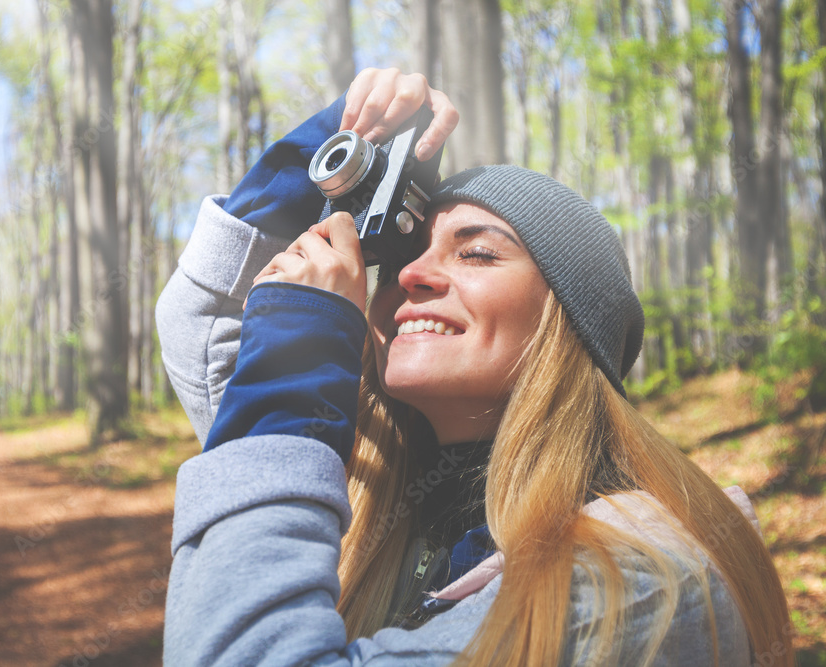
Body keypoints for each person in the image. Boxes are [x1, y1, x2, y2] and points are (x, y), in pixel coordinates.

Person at [156, 68, 793, 666]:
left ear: (569, 323)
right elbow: (200, 327)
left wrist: (296, 357)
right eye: (403, 253)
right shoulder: (369, 482)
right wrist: (337, 151)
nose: (409, 274)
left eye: (479, 254)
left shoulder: (632, 576)